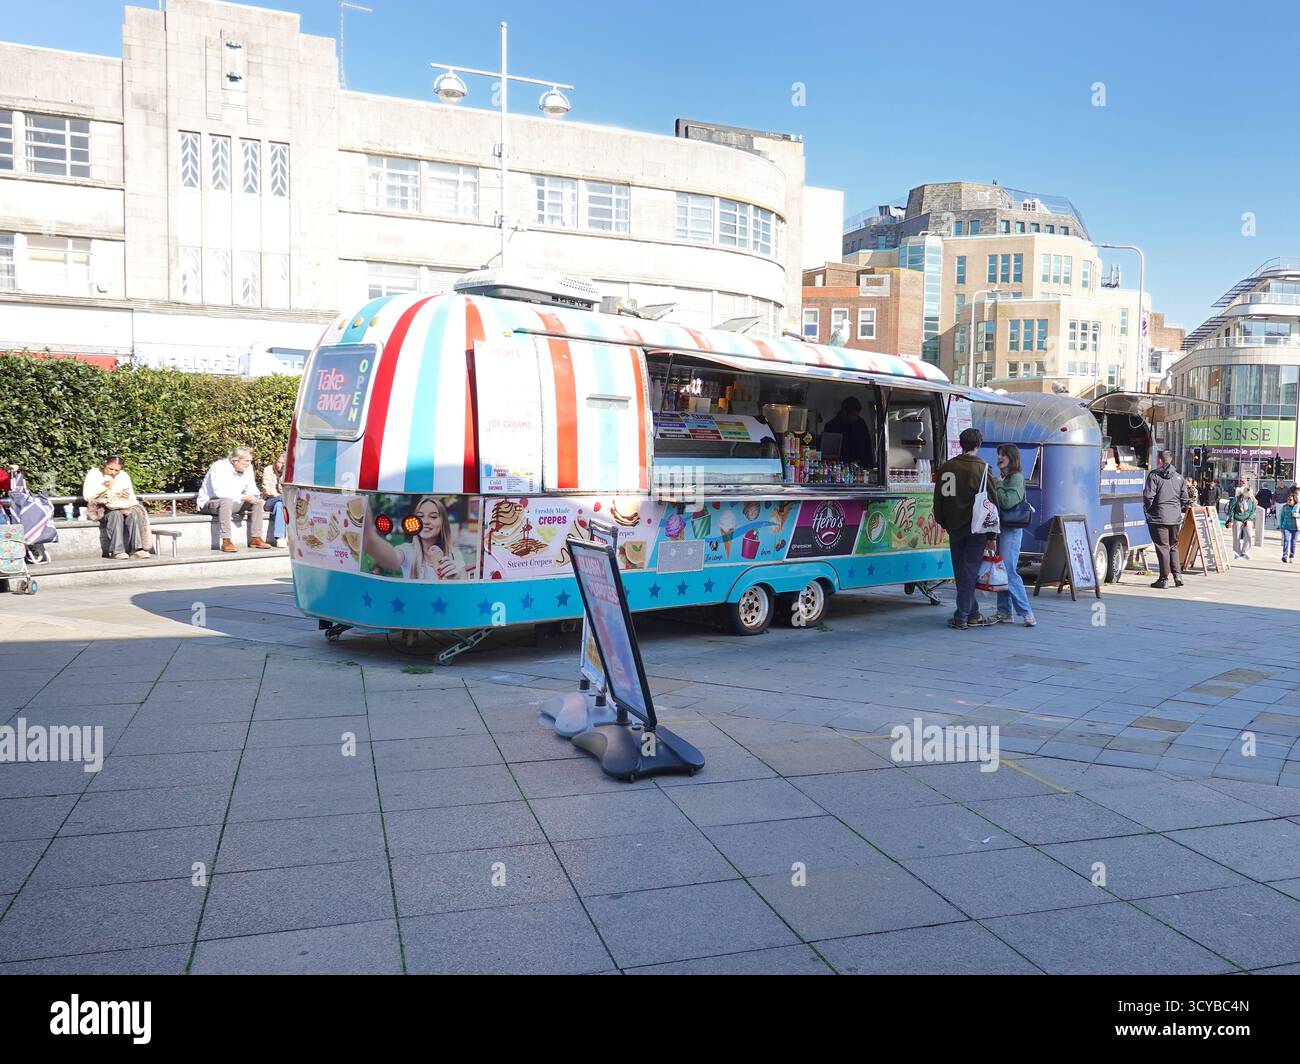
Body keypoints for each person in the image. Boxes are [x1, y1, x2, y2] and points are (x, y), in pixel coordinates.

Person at [933, 427, 998, 629]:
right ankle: (962, 615)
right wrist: (992, 535)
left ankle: (973, 613)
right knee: (969, 570)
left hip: (954, 526)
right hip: (976, 528)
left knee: (961, 570)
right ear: (978, 444)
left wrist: (944, 522)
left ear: (961, 444)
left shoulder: (946, 467)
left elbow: (939, 500)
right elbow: (992, 504)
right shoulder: (983, 469)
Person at [990, 443, 1036, 628]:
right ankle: (1004, 612)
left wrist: (998, 485)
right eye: (999, 454)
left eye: (1003, 455)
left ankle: (1026, 613)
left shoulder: (1015, 478)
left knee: (1009, 571)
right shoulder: (1006, 477)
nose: (999, 457)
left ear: (1012, 458)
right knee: (1002, 570)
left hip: (1011, 530)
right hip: (1002, 528)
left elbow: (1008, 502)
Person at [363, 496, 461, 580]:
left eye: (433, 517)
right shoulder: (407, 550)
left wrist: (455, 578)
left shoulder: (455, 554)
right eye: (420, 516)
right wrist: (370, 539)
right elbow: (393, 559)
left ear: (443, 523)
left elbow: (465, 591)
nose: (425, 521)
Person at [197, 447, 272, 552]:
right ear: (235, 460)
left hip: (233, 502)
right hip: (210, 502)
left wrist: (255, 496)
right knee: (226, 501)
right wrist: (243, 497)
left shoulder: (248, 468)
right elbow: (219, 492)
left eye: (250, 461)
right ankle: (226, 540)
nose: (249, 464)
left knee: (257, 501)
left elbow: (252, 487)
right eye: (246, 461)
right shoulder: (219, 466)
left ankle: (256, 538)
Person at [82, 455, 152, 560]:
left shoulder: (123, 476)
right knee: (115, 514)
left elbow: (131, 495)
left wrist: (126, 496)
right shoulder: (94, 474)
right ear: (104, 465)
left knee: (134, 513)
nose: (113, 472)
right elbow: (87, 496)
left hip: (121, 505)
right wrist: (105, 487)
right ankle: (117, 551)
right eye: (111, 469)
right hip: (101, 508)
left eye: (117, 471)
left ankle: (136, 549)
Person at [1143, 450, 1189, 589]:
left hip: (1159, 517)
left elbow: (1148, 496)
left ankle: (1164, 579)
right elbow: (1185, 498)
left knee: (1163, 547)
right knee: (1173, 546)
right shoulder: (1180, 478)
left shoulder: (1154, 475)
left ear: (1160, 461)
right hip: (1175, 518)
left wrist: (1149, 510)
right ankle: (1177, 576)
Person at [823, 395, 874, 468]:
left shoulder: (860, 424)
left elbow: (868, 447)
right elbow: (828, 453)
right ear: (844, 412)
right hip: (838, 468)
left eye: (857, 415)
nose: (856, 418)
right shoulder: (831, 426)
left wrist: (870, 466)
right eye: (853, 415)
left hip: (860, 468)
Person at [261, 451, 287, 546]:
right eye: (278, 462)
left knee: (279, 505)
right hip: (268, 501)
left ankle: (280, 537)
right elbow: (267, 490)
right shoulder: (268, 469)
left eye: (283, 463)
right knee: (282, 499)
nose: (280, 465)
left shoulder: (288, 473)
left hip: (281, 502)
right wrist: (280, 496)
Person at [1227, 484, 1257, 559]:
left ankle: (1245, 552)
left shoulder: (1252, 500)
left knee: (1249, 535)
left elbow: (1253, 511)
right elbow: (1232, 510)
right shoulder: (1237, 499)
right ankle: (1237, 553)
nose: (1250, 494)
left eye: (1251, 493)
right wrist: (1231, 519)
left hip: (1248, 519)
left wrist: (1249, 518)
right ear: (1244, 493)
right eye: (1249, 493)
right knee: (1236, 536)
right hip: (1238, 519)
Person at [1279, 488, 1298, 564]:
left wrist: (1298, 515)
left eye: (1290, 500)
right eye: (1288, 499)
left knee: (1293, 542)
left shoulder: (1298, 507)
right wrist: (1280, 526)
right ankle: (1285, 555)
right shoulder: (1285, 507)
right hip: (1286, 526)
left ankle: (1291, 556)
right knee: (1286, 540)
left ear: (1294, 500)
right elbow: (1281, 517)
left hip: (1296, 527)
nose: (1288, 501)